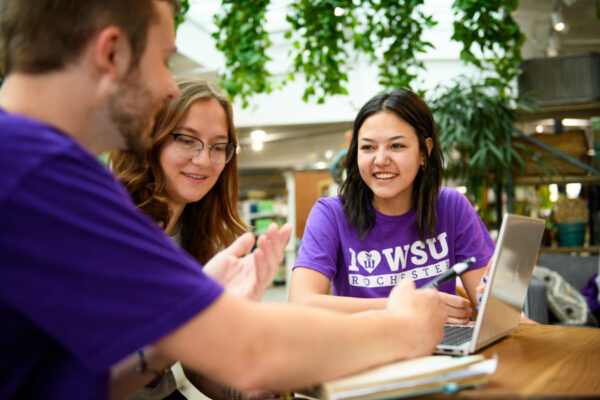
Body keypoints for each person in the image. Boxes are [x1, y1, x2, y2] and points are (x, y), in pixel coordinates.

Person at [0, 1, 447, 399]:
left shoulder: (28, 161)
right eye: (163, 59)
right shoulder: (38, 168)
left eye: (218, 146)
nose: (170, 88)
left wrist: (189, 315)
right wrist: (404, 328)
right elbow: (250, 349)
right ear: (111, 52)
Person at [109, 78, 275, 399]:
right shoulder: (114, 225)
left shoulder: (201, 236)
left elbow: (195, 361)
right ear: (151, 138)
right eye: (187, 140)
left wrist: (242, 392)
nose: (203, 159)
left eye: (218, 147)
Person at [289, 88, 495, 324]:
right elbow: (301, 303)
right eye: (368, 147)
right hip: (364, 351)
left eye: (396, 146)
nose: (380, 160)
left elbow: (489, 304)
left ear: (424, 152)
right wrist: (407, 306)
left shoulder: (451, 206)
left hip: (440, 351)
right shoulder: (331, 214)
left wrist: (500, 295)